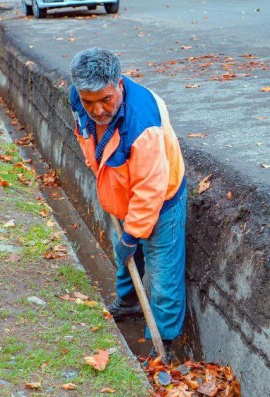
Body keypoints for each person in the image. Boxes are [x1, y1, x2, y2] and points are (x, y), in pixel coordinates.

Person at [68, 48, 187, 359]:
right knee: (127, 260)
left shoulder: (143, 126)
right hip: (123, 193)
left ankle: (164, 348)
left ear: (118, 84)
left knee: (163, 280)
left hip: (161, 200)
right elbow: (85, 135)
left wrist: (132, 236)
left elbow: (150, 191)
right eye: (88, 102)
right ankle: (129, 302)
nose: (96, 109)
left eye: (105, 100)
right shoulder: (78, 98)